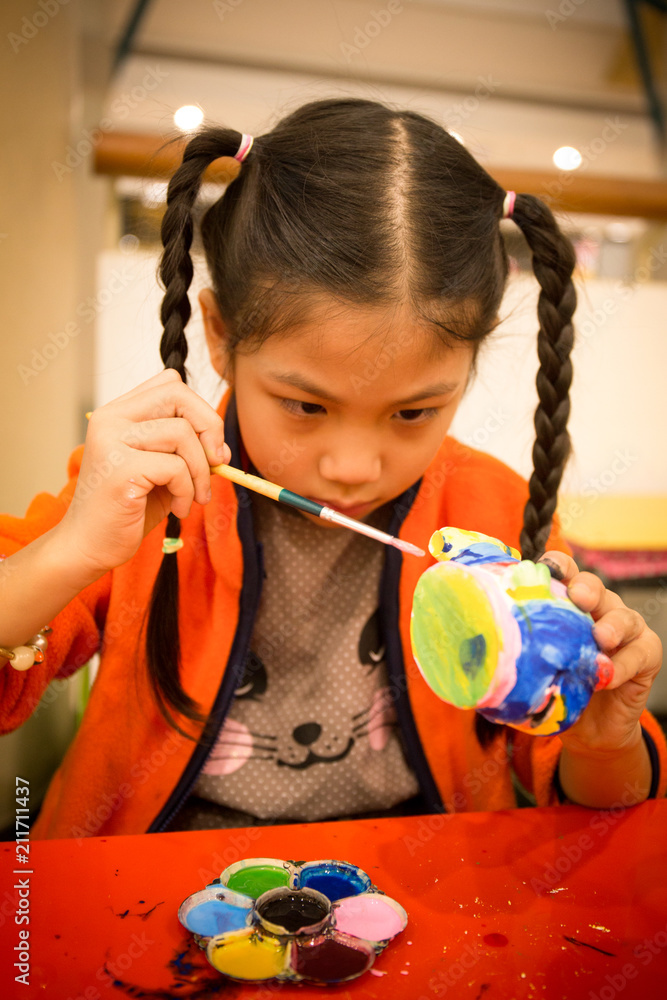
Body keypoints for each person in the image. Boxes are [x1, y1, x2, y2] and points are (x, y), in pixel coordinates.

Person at [0, 99, 664, 841]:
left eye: (412, 413)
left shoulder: (491, 509)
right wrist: (73, 552)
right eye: (305, 406)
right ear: (220, 338)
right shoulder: (148, 486)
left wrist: (602, 738)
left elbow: (594, 811)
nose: (353, 467)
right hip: (151, 884)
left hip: (428, 888)